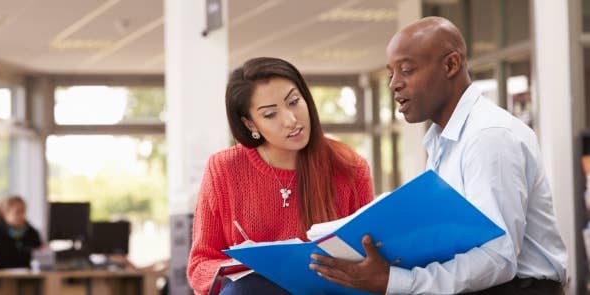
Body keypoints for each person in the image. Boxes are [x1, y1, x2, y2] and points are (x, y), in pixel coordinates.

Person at [309, 16, 568, 294]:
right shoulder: (442, 142)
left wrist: (396, 281)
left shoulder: (487, 136)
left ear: (451, 65)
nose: (394, 84)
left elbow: (498, 257)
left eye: (406, 70)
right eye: (390, 74)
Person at [187, 57, 375, 294]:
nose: (290, 120)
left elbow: (370, 259)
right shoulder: (223, 168)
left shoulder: (349, 167)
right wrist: (243, 265)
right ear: (250, 124)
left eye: (294, 102)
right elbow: (200, 265)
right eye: (270, 114)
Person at [0, 195, 42, 269]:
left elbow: (40, 256)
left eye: (23, 211)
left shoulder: (32, 232)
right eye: (17, 212)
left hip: (29, 276)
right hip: (3, 276)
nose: (21, 216)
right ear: (5, 213)